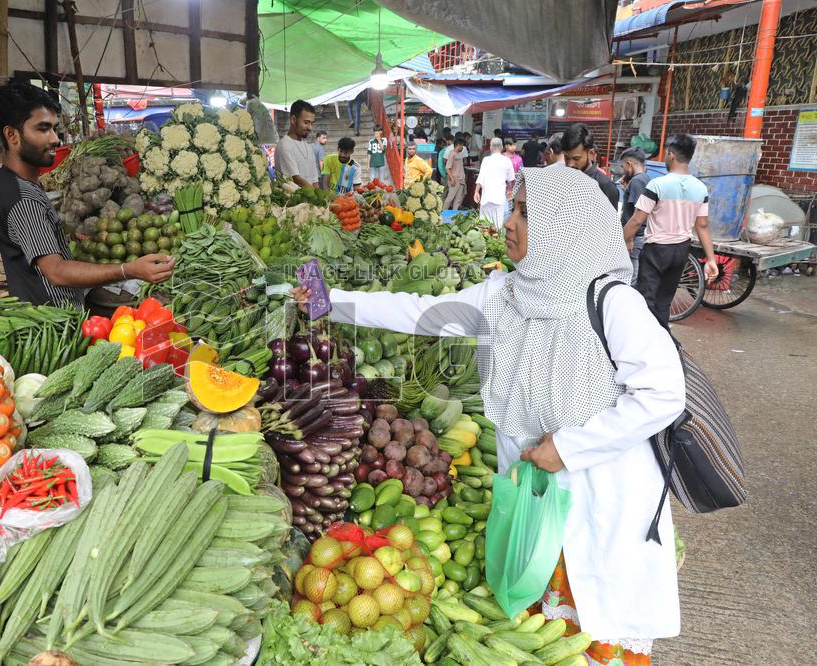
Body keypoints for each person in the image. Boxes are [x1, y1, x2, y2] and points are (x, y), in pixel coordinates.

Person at [292, 166, 684, 666]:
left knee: (594, 634)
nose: (509, 223)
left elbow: (663, 394)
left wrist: (566, 448)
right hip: (534, 499)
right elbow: (421, 312)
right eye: (514, 209)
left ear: (562, 226)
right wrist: (332, 302)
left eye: (525, 212)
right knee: (537, 635)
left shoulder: (613, 302)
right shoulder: (508, 294)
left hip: (599, 498)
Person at [0, 81, 173, 309]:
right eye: (43, 129)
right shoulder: (23, 198)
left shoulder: (14, 183)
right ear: (12, 135)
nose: (55, 139)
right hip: (52, 326)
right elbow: (56, 272)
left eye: (54, 129)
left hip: (52, 318)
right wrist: (128, 270)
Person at [624, 134, 718, 328]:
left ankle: (644, 344)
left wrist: (619, 242)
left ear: (670, 155)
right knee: (664, 302)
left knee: (646, 301)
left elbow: (636, 220)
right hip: (682, 250)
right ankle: (662, 341)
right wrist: (711, 260)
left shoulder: (658, 185)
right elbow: (702, 226)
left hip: (657, 250)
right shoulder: (700, 188)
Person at [562, 123, 619, 210]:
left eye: (576, 158)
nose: (570, 164)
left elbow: (610, 222)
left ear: (591, 153)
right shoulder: (562, 179)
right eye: (566, 158)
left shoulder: (605, 186)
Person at [619, 147, 651, 287]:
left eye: (623, 166)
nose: (623, 171)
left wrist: (628, 238)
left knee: (631, 277)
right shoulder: (646, 179)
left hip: (635, 236)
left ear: (629, 164)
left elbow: (637, 213)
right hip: (639, 235)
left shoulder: (637, 181)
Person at [275, 99, 320, 188]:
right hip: (294, 201)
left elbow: (314, 180)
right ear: (293, 119)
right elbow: (295, 179)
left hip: (311, 200)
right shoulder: (285, 145)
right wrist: (317, 198)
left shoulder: (308, 146)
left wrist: (322, 199)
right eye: (306, 122)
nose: (310, 128)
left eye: (312, 123)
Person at [474, 137, 515, 227]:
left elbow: (481, 177)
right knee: (497, 225)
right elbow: (511, 180)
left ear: (490, 147)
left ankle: (484, 240)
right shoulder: (507, 161)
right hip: (499, 198)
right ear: (502, 148)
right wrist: (509, 191)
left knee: (484, 225)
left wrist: (476, 192)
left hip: (486, 198)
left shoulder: (486, 160)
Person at [443, 136, 468, 210]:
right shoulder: (452, 154)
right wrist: (452, 178)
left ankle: (454, 215)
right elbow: (448, 168)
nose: (463, 148)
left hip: (461, 180)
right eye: (462, 146)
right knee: (450, 198)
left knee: (458, 200)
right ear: (458, 145)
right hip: (455, 180)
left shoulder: (459, 155)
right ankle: (443, 213)